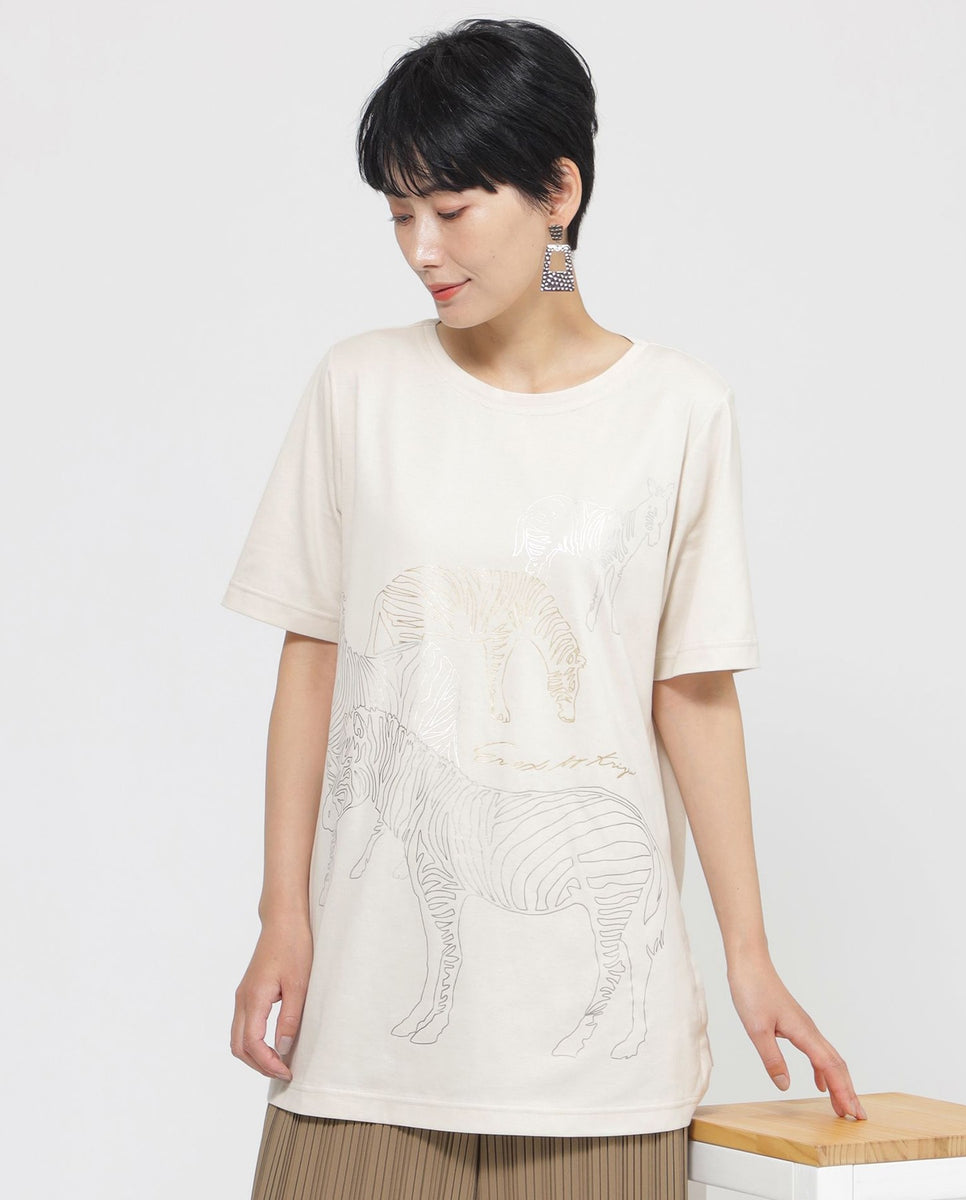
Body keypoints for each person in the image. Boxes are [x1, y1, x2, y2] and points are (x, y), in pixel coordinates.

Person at [221, 16, 867, 1200]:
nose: (421, 250)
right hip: (365, 1030)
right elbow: (310, 660)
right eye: (398, 216)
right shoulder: (359, 389)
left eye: (450, 209)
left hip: (596, 1072)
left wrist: (749, 955)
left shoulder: (678, 412)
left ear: (558, 191)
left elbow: (691, 692)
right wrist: (281, 917)